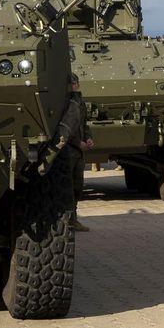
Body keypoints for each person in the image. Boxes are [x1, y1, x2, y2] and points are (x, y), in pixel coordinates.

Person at [53, 73, 96, 231]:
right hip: (67, 152)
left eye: (76, 82)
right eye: (71, 83)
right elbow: (63, 130)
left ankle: (73, 219)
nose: (74, 85)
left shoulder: (79, 102)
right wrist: (79, 143)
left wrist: (89, 138)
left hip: (79, 152)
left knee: (77, 187)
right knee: (66, 188)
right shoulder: (63, 103)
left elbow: (84, 125)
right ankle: (64, 221)